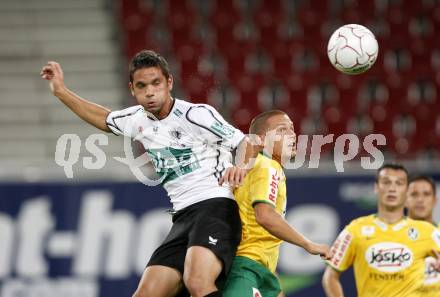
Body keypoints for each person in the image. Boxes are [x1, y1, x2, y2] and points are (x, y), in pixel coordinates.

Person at [40, 50, 263, 297]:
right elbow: (104, 118)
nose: (149, 92)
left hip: (215, 207)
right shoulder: (135, 119)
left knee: (198, 283)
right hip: (183, 218)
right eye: (142, 86)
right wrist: (60, 91)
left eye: (156, 83)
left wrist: (241, 166)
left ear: (169, 82)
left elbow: (247, 142)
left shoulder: (196, 114)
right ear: (132, 89)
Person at [222, 110, 331, 297]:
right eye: (282, 130)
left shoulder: (259, 166)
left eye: (292, 129)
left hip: (258, 268)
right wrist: (308, 245)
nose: (291, 134)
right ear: (262, 139)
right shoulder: (267, 166)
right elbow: (265, 216)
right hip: (245, 267)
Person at [322, 163, 440, 297]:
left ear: (406, 191)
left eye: (399, 183)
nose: (392, 188)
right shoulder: (355, 230)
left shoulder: (428, 232)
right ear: (376, 188)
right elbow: (330, 276)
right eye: (386, 182)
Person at [406, 175, 440, 296]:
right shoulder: (391, 237)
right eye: (414, 194)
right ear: (404, 200)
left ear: (435, 200)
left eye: (426, 194)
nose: (420, 200)